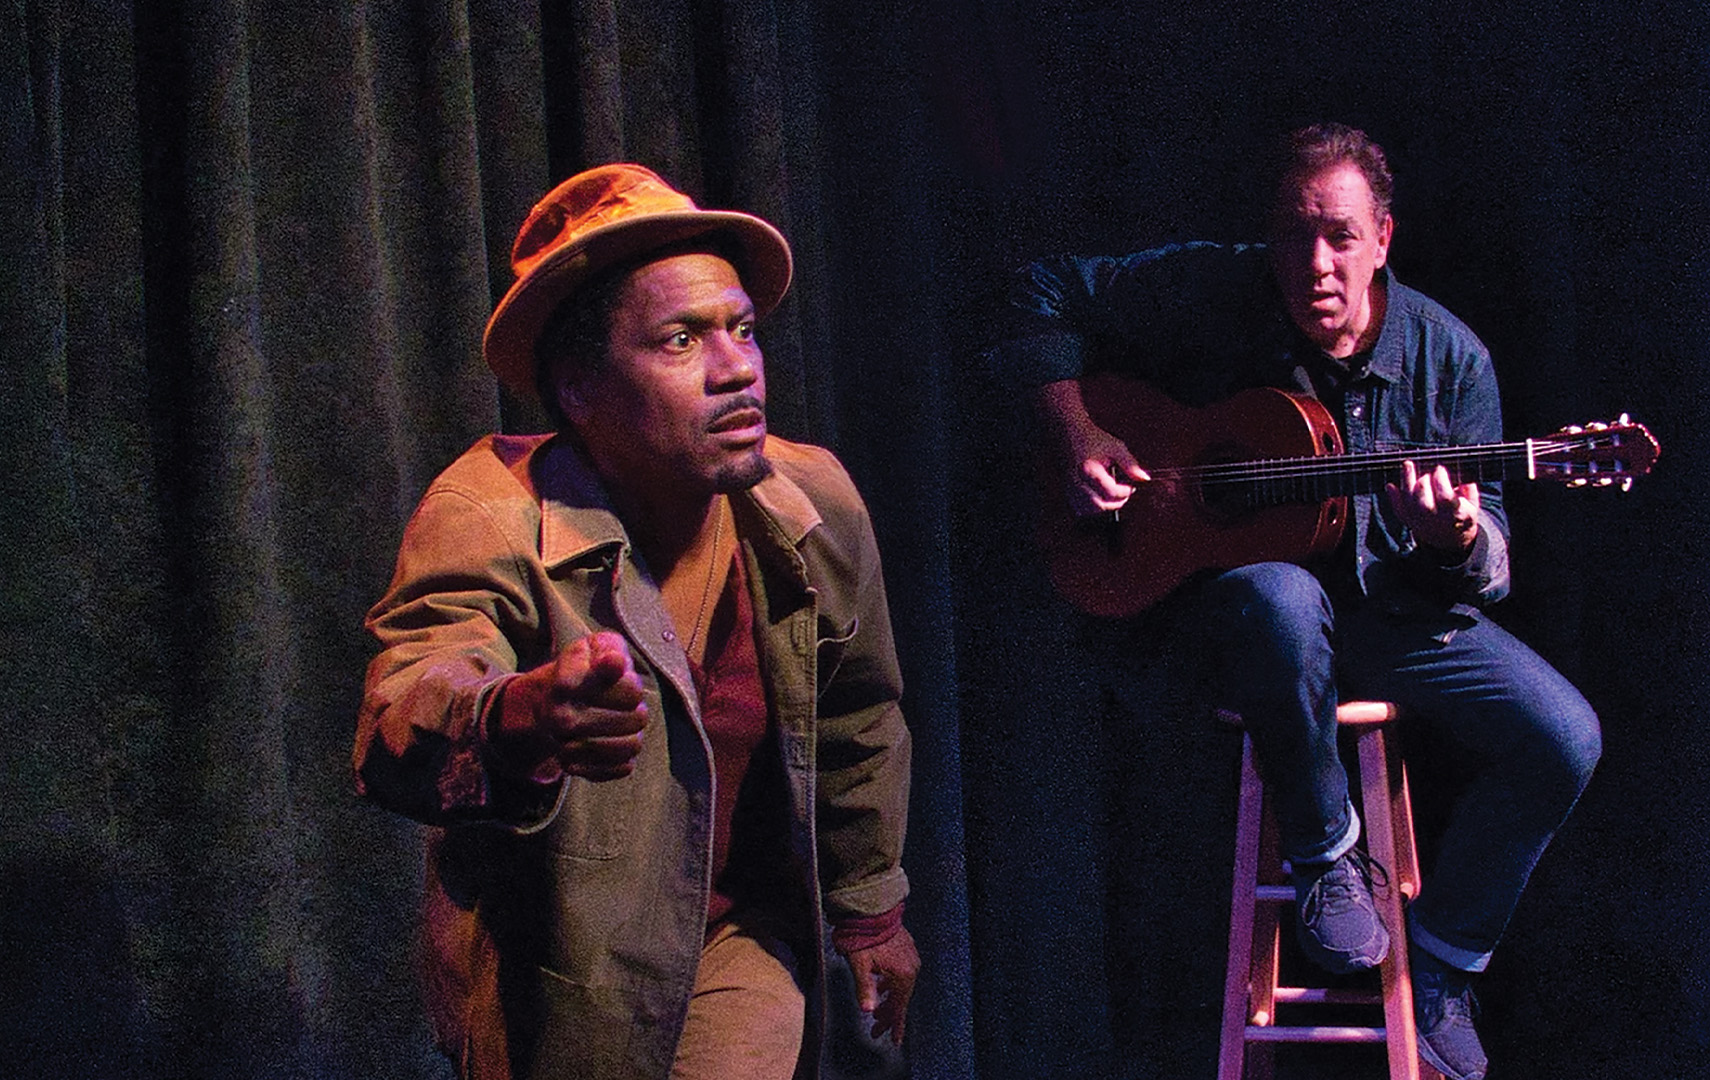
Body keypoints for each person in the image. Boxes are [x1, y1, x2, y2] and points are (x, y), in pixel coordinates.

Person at [992, 123, 1601, 1080]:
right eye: (1293, 236)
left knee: (1565, 736)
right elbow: (1039, 290)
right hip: (1243, 631)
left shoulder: (1452, 362)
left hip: (1396, 617)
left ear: (1384, 238)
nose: (1314, 265)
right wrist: (1073, 431)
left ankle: (1440, 966)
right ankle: (1327, 849)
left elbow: (1495, 564)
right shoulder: (1213, 290)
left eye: (1341, 238)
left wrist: (1460, 539)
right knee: (1275, 597)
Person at [354, 164, 919, 1080]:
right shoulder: (489, 510)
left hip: (743, 931)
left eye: (741, 328)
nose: (737, 367)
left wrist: (872, 910)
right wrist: (513, 718)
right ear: (578, 389)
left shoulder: (812, 503)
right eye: (680, 340)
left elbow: (859, 711)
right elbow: (403, 710)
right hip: (561, 967)